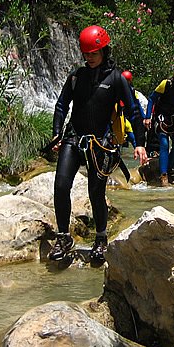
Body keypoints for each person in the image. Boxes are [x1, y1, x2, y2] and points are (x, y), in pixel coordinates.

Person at [48, 25, 148, 262]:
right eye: (85, 54)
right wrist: (56, 133)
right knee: (61, 185)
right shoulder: (76, 77)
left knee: (96, 191)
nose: (89, 58)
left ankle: (101, 239)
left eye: (93, 53)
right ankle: (63, 237)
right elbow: (62, 106)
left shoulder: (116, 79)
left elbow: (134, 111)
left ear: (104, 50)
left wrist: (140, 143)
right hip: (73, 138)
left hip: (100, 143)